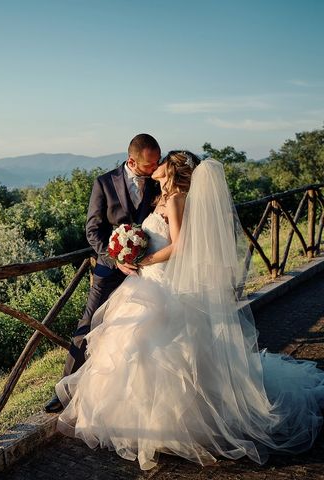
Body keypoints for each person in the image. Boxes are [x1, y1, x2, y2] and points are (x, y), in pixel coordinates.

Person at [55, 151, 324, 470]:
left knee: (164, 354)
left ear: (172, 169)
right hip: (146, 284)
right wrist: (131, 250)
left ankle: (178, 425)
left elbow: (179, 245)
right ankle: (142, 421)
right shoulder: (163, 196)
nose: (157, 167)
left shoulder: (177, 199)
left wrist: (146, 260)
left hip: (162, 285)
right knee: (134, 350)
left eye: (163, 162)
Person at [45, 133, 161, 413]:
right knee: (88, 326)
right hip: (109, 271)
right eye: (150, 164)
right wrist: (115, 258)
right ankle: (65, 391)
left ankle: (132, 392)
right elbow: (93, 230)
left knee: (143, 330)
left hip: (147, 272)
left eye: (158, 161)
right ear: (132, 161)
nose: (155, 168)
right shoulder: (104, 183)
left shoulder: (158, 182)